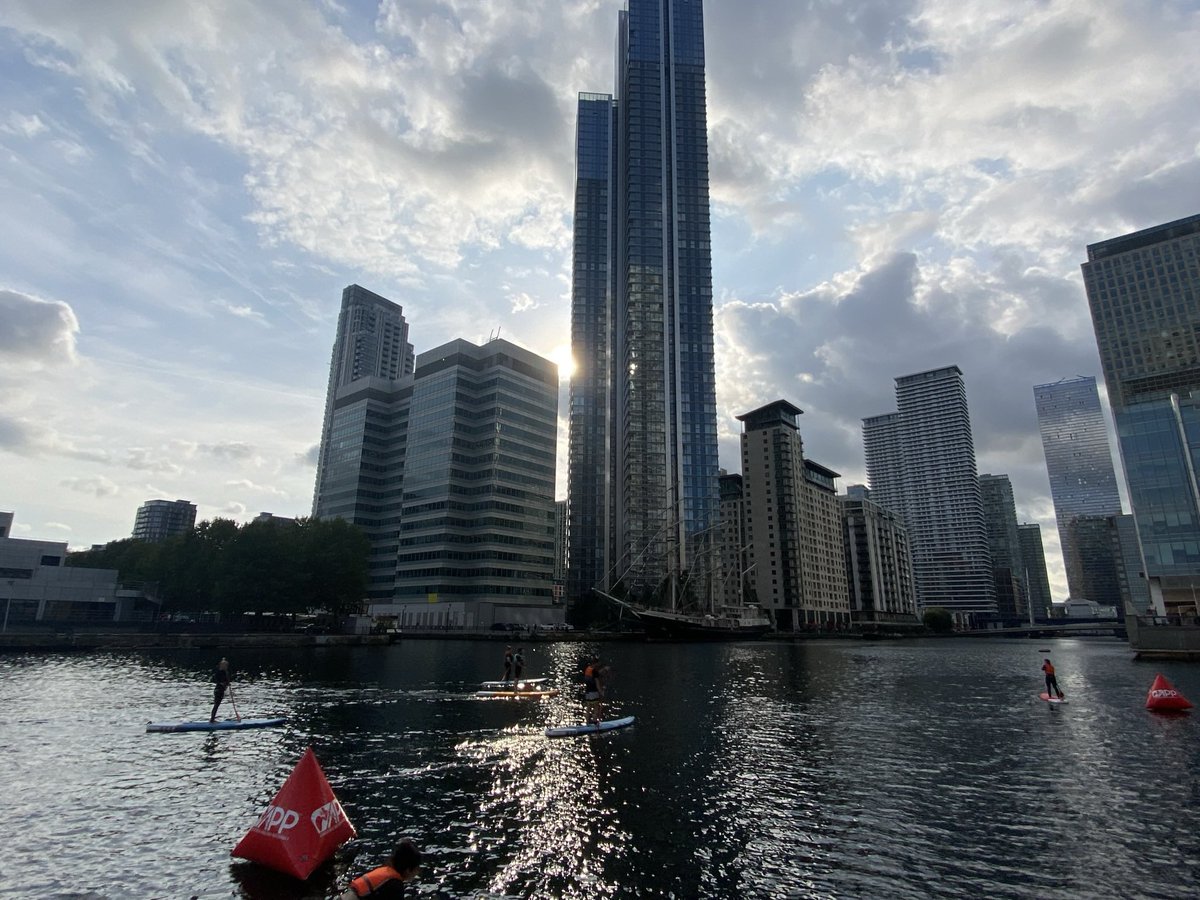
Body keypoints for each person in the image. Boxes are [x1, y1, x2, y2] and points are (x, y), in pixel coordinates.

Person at [342, 839, 421, 898]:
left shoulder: (385, 872)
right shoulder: (395, 885)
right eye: (416, 869)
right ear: (408, 870)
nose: (417, 872)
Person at [583, 658, 607, 724]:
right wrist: (601, 692)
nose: (598, 665)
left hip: (587, 692)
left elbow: (596, 674)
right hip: (594, 692)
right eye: (598, 664)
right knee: (596, 707)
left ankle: (587, 722)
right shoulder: (594, 671)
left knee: (588, 707)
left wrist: (603, 670)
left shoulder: (587, 669)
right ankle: (594, 721)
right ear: (595, 663)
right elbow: (597, 684)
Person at [210, 657, 230, 723]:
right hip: (218, 690)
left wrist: (227, 683)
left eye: (226, 665)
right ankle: (212, 719)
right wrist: (223, 683)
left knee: (217, 705)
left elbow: (226, 681)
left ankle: (212, 719)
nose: (226, 667)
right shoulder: (219, 672)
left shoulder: (225, 672)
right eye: (225, 665)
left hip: (221, 690)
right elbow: (215, 679)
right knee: (216, 705)